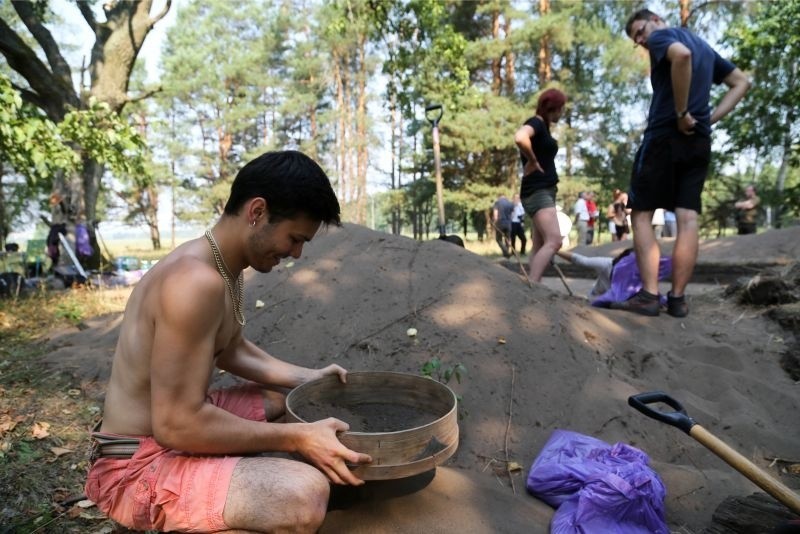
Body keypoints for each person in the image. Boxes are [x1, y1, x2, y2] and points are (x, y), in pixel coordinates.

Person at [84, 151, 373, 533]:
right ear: (257, 211)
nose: (296, 253)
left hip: (172, 422)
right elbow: (176, 425)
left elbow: (232, 348)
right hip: (136, 465)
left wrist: (309, 379)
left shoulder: (221, 266)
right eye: (295, 238)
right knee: (305, 495)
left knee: (289, 401)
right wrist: (297, 438)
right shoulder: (194, 282)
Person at [612, 9, 749, 317]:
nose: (641, 40)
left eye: (640, 31)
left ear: (656, 19)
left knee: (642, 213)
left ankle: (648, 296)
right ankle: (677, 299)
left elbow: (681, 56)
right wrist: (708, 119)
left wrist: (680, 111)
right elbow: (741, 82)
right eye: (636, 38)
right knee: (687, 217)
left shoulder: (663, 36)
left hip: (664, 135)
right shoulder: (704, 45)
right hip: (699, 140)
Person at [514, 88, 568, 282]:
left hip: (543, 191)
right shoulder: (535, 122)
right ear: (553, 108)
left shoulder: (543, 127)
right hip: (537, 192)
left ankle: (533, 284)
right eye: (561, 109)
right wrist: (533, 160)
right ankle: (533, 285)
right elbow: (520, 137)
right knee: (554, 240)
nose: (562, 114)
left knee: (539, 245)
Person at [555, 248, 671, 306]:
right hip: (596, 299)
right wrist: (556, 250)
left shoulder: (639, 277)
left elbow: (655, 296)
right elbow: (582, 260)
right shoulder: (607, 264)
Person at [493, 193, 514, 258]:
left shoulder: (497, 203)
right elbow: (512, 214)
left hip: (500, 223)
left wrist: (494, 222)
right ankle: (506, 254)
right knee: (507, 239)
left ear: (499, 197)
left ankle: (505, 252)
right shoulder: (510, 203)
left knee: (498, 239)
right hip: (508, 223)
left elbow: (495, 214)